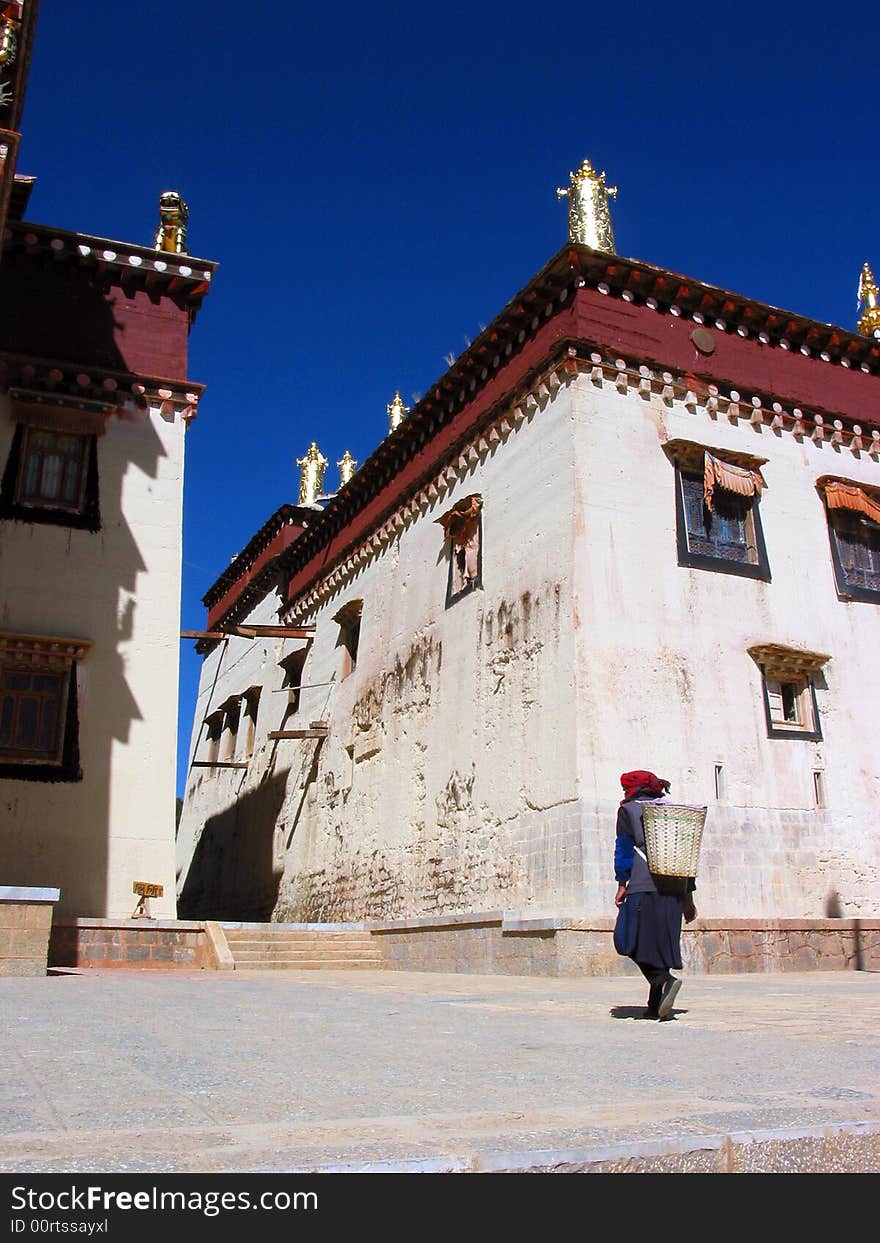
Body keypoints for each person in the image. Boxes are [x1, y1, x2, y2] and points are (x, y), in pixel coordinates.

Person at [614, 770, 697, 1020]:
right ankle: (654, 1005)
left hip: (643, 885)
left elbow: (624, 849)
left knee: (629, 940)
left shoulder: (628, 810)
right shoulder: (675, 813)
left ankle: (665, 980)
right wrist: (688, 898)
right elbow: (688, 855)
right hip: (675, 889)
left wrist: (621, 882)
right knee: (659, 944)